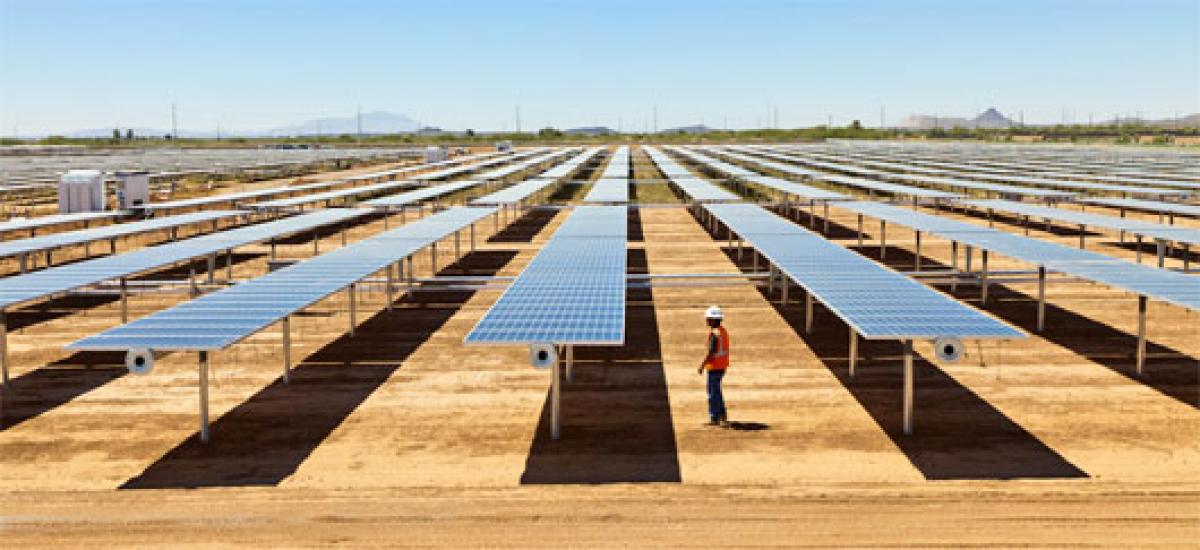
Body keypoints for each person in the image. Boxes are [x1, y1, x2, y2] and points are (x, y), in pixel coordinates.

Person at [697, 305, 730, 427]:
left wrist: (702, 365)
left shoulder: (714, 334)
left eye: (708, 318)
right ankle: (717, 416)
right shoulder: (722, 331)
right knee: (715, 391)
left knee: (713, 393)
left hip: (715, 367)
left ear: (713, 320)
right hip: (722, 366)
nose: (707, 321)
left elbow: (711, 352)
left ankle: (718, 417)